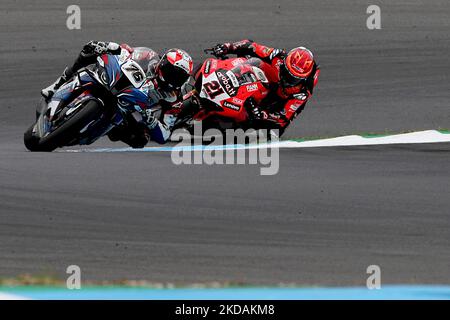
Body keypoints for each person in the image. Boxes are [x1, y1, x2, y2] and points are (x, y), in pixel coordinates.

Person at [41, 41, 193, 147]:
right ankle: (58, 84)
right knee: (90, 50)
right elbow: (127, 51)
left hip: (132, 110)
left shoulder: (174, 99)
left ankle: (102, 129)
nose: (172, 78)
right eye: (170, 70)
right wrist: (110, 47)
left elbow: (166, 134)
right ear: (163, 63)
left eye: (179, 77)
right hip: (116, 81)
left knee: (140, 140)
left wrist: (151, 120)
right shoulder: (150, 57)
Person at [210, 40, 320, 135]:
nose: (287, 78)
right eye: (286, 72)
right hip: (264, 82)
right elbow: (251, 46)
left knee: (271, 132)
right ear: (284, 63)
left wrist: (262, 114)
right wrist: (227, 47)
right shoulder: (277, 56)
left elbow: (283, 116)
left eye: (293, 78)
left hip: (277, 101)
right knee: (248, 61)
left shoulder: (302, 92)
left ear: (303, 79)